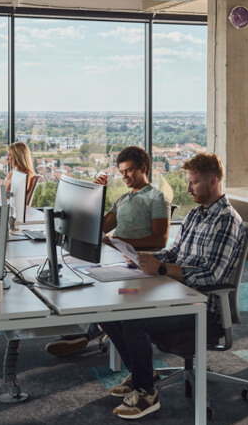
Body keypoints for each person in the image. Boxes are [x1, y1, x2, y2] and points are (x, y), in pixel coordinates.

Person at [101, 153, 246, 420]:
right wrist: (146, 259)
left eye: (193, 183)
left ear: (213, 182)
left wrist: (163, 269)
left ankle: (147, 393)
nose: (188, 189)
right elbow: (175, 252)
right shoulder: (195, 214)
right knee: (110, 310)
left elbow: (212, 275)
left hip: (203, 308)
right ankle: (143, 372)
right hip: (177, 293)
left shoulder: (226, 220)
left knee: (134, 319)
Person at [45, 145, 171, 357]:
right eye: (121, 172)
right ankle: (87, 328)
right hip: (117, 259)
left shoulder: (156, 198)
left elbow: (161, 240)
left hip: (139, 267)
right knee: (80, 275)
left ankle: (89, 332)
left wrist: (118, 241)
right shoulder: (122, 199)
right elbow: (99, 228)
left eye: (129, 170)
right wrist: (93, 195)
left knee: (106, 290)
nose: (124, 176)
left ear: (144, 169)